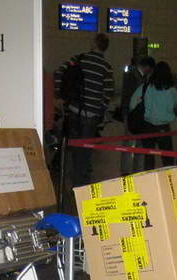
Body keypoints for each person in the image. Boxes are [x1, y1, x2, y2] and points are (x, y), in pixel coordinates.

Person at [54, 33, 114, 187]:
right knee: (86, 149)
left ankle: (74, 179)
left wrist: (59, 96)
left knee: (74, 146)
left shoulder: (79, 59)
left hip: (74, 110)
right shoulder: (106, 67)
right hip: (91, 114)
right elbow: (108, 92)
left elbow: (59, 72)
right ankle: (82, 183)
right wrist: (100, 108)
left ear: (94, 44)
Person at [128, 61, 177, 170]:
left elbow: (132, 103)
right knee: (167, 158)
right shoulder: (172, 90)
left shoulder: (146, 87)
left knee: (149, 157)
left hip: (148, 126)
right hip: (164, 128)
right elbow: (174, 105)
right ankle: (169, 178)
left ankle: (149, 177)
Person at [120, 56, 154, 175]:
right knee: (129, 143)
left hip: (137, 115)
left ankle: (134, 170)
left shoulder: (138, 76)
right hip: (131, 115)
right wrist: (126, 115)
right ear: (147, 67)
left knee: (137, 143)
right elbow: (126, 97)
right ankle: (126, 171)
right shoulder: (132, 76)